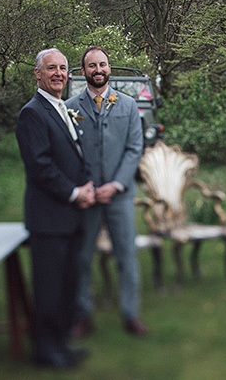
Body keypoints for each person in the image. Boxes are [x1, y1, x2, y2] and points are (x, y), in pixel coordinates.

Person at [15, 48, 96, 369]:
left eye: (63, 68)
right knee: (49, 289)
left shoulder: (61, 108)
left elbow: (75, 155)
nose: (59, 73)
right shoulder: (32, 113)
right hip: (49, 219)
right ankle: (45, 351)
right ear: (38, 74)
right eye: (52, 68)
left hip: (70, 217)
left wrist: (86, 184)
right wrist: (75, 193)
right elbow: (40, 165)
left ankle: (61, 343)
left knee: (67, 285)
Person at [66, 46, 148, 337]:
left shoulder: (127, 105)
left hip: (119, 196)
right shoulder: (71, 107)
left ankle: (130, 315)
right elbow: (69, 152)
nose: (98, 70)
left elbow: (135, 148)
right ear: (83, 71)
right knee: (81, 257)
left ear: (109, 68)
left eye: (102, 64)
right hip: (88, 198)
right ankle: (82, 315)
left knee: (126, 256)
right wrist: (86, 187)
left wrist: (116, 185)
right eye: (92, 65)